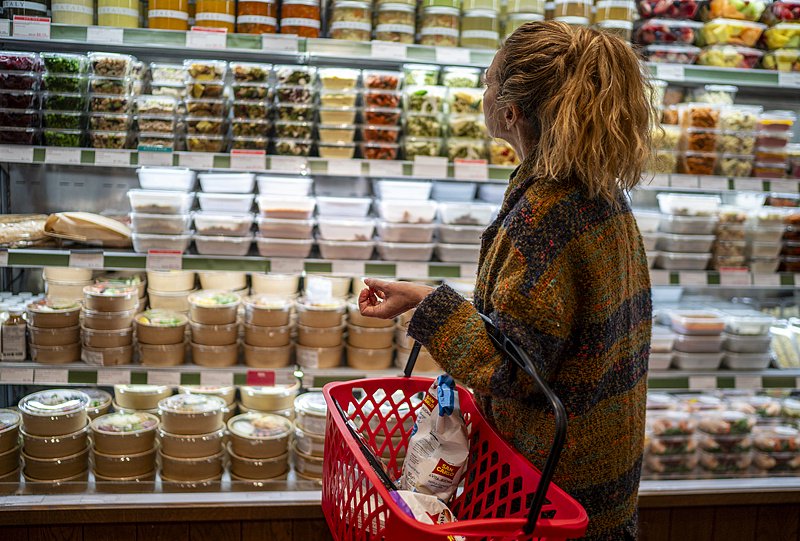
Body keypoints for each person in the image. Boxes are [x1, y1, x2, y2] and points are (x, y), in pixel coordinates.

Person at [358, 21, 654, 541]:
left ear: (511, 111)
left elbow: (515, 369)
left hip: (554, 495)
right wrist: (426, 298)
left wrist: (432, 315)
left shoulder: (545, 214)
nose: (482, 92)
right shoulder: (597, 190)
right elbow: (543, 332)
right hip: (602, 471)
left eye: (488, 80)